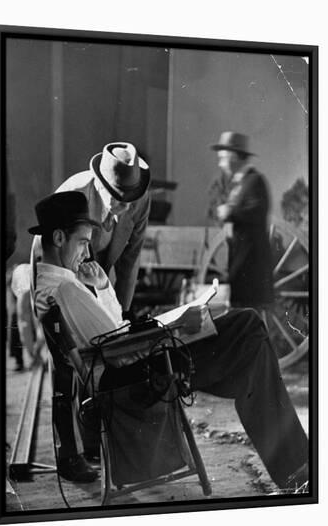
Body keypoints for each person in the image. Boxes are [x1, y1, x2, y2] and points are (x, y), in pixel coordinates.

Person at [31, 191, 308, 492]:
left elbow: (112, 335)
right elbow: (116, 347)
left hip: (134, 367)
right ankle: (297, 470)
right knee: (248, 326)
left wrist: (102, 288)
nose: (86, 253)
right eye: (83, 242)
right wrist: (168, 329)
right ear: (59, 239)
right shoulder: (66, 290)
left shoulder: (55, 285)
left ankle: (297, 471)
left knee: (251, 359)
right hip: (138, 375)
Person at [32, 141, 151, 314]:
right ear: (99, 185)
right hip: (64, 277)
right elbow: (49, 261)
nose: (126, 207)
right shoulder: (73, 196)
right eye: (117, 197)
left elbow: (130, 260)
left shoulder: (140, 199)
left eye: (130, 199)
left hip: (99, 277)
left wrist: (123, 315)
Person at [208, 132, 274, 310]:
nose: (220, 163)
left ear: (235, 156)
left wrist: (230, 211)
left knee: (248, 312)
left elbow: (257, 211)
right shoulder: (240, 183)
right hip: (241, 262)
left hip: (251, 264)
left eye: (223, 158)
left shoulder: (254, 181)